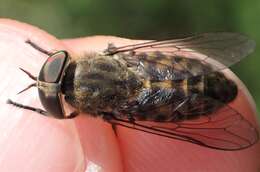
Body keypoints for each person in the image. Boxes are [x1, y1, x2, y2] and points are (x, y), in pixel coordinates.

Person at [1, 19, 259, 172]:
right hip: (180, 71)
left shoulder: (102, 112)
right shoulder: (113, 56)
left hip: (159, 102)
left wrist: (32, 110)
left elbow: (186, 129)